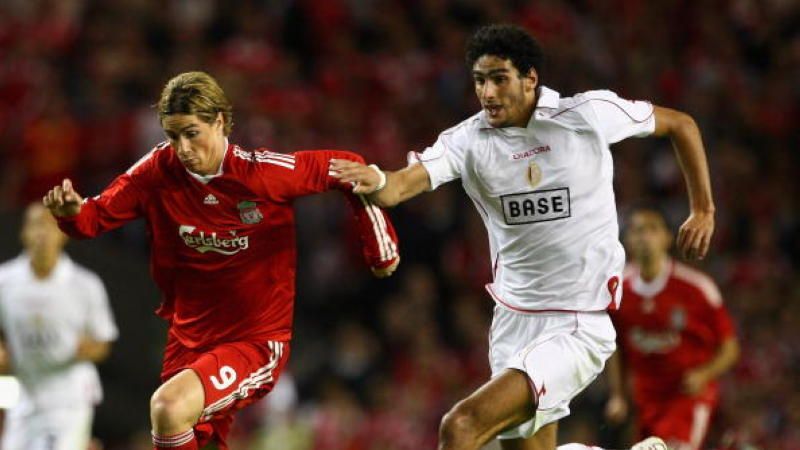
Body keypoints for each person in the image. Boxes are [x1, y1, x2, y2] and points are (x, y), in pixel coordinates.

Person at [331, 23, 715, 450]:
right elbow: (400, 185)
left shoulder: (585, 115)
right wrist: (375, 177)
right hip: (513, 322)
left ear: (530, 79)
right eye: (479, 81)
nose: (488, 93)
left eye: (499, 78)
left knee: (459, 427)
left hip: (578, 322)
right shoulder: (468, 141)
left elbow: (681, 124)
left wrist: (703, 209)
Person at [43, 71, 400, 450]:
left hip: (254, 342)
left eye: (191, 133)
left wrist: (381, 246)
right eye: (172, 135)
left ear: (219, 122)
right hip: (188, 340)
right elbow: (94, 217)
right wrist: (70, 213)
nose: (181, 147)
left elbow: (348, 167)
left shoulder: (260, 174)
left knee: (168, 407)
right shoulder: (156, 171)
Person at [604, 206, 739, 450]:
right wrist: (618, 395)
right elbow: (616, 348)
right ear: (627, 240)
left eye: (653, 229)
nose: (645, 237)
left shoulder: (696, 288)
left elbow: (730, 348)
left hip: (686, 398)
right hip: (645, 401)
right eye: (637, 230)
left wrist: (704, 374)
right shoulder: (617, 292)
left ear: (668, 238)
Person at [0, 203, 118, 450]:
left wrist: (90, 349)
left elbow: (104, 341)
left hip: (70, 397)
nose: (42, 233)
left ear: (63, 234)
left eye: (49, 226)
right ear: (23, 233)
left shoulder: (85, 285)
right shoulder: (5, 281)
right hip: (25, 394)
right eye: (35, 225)